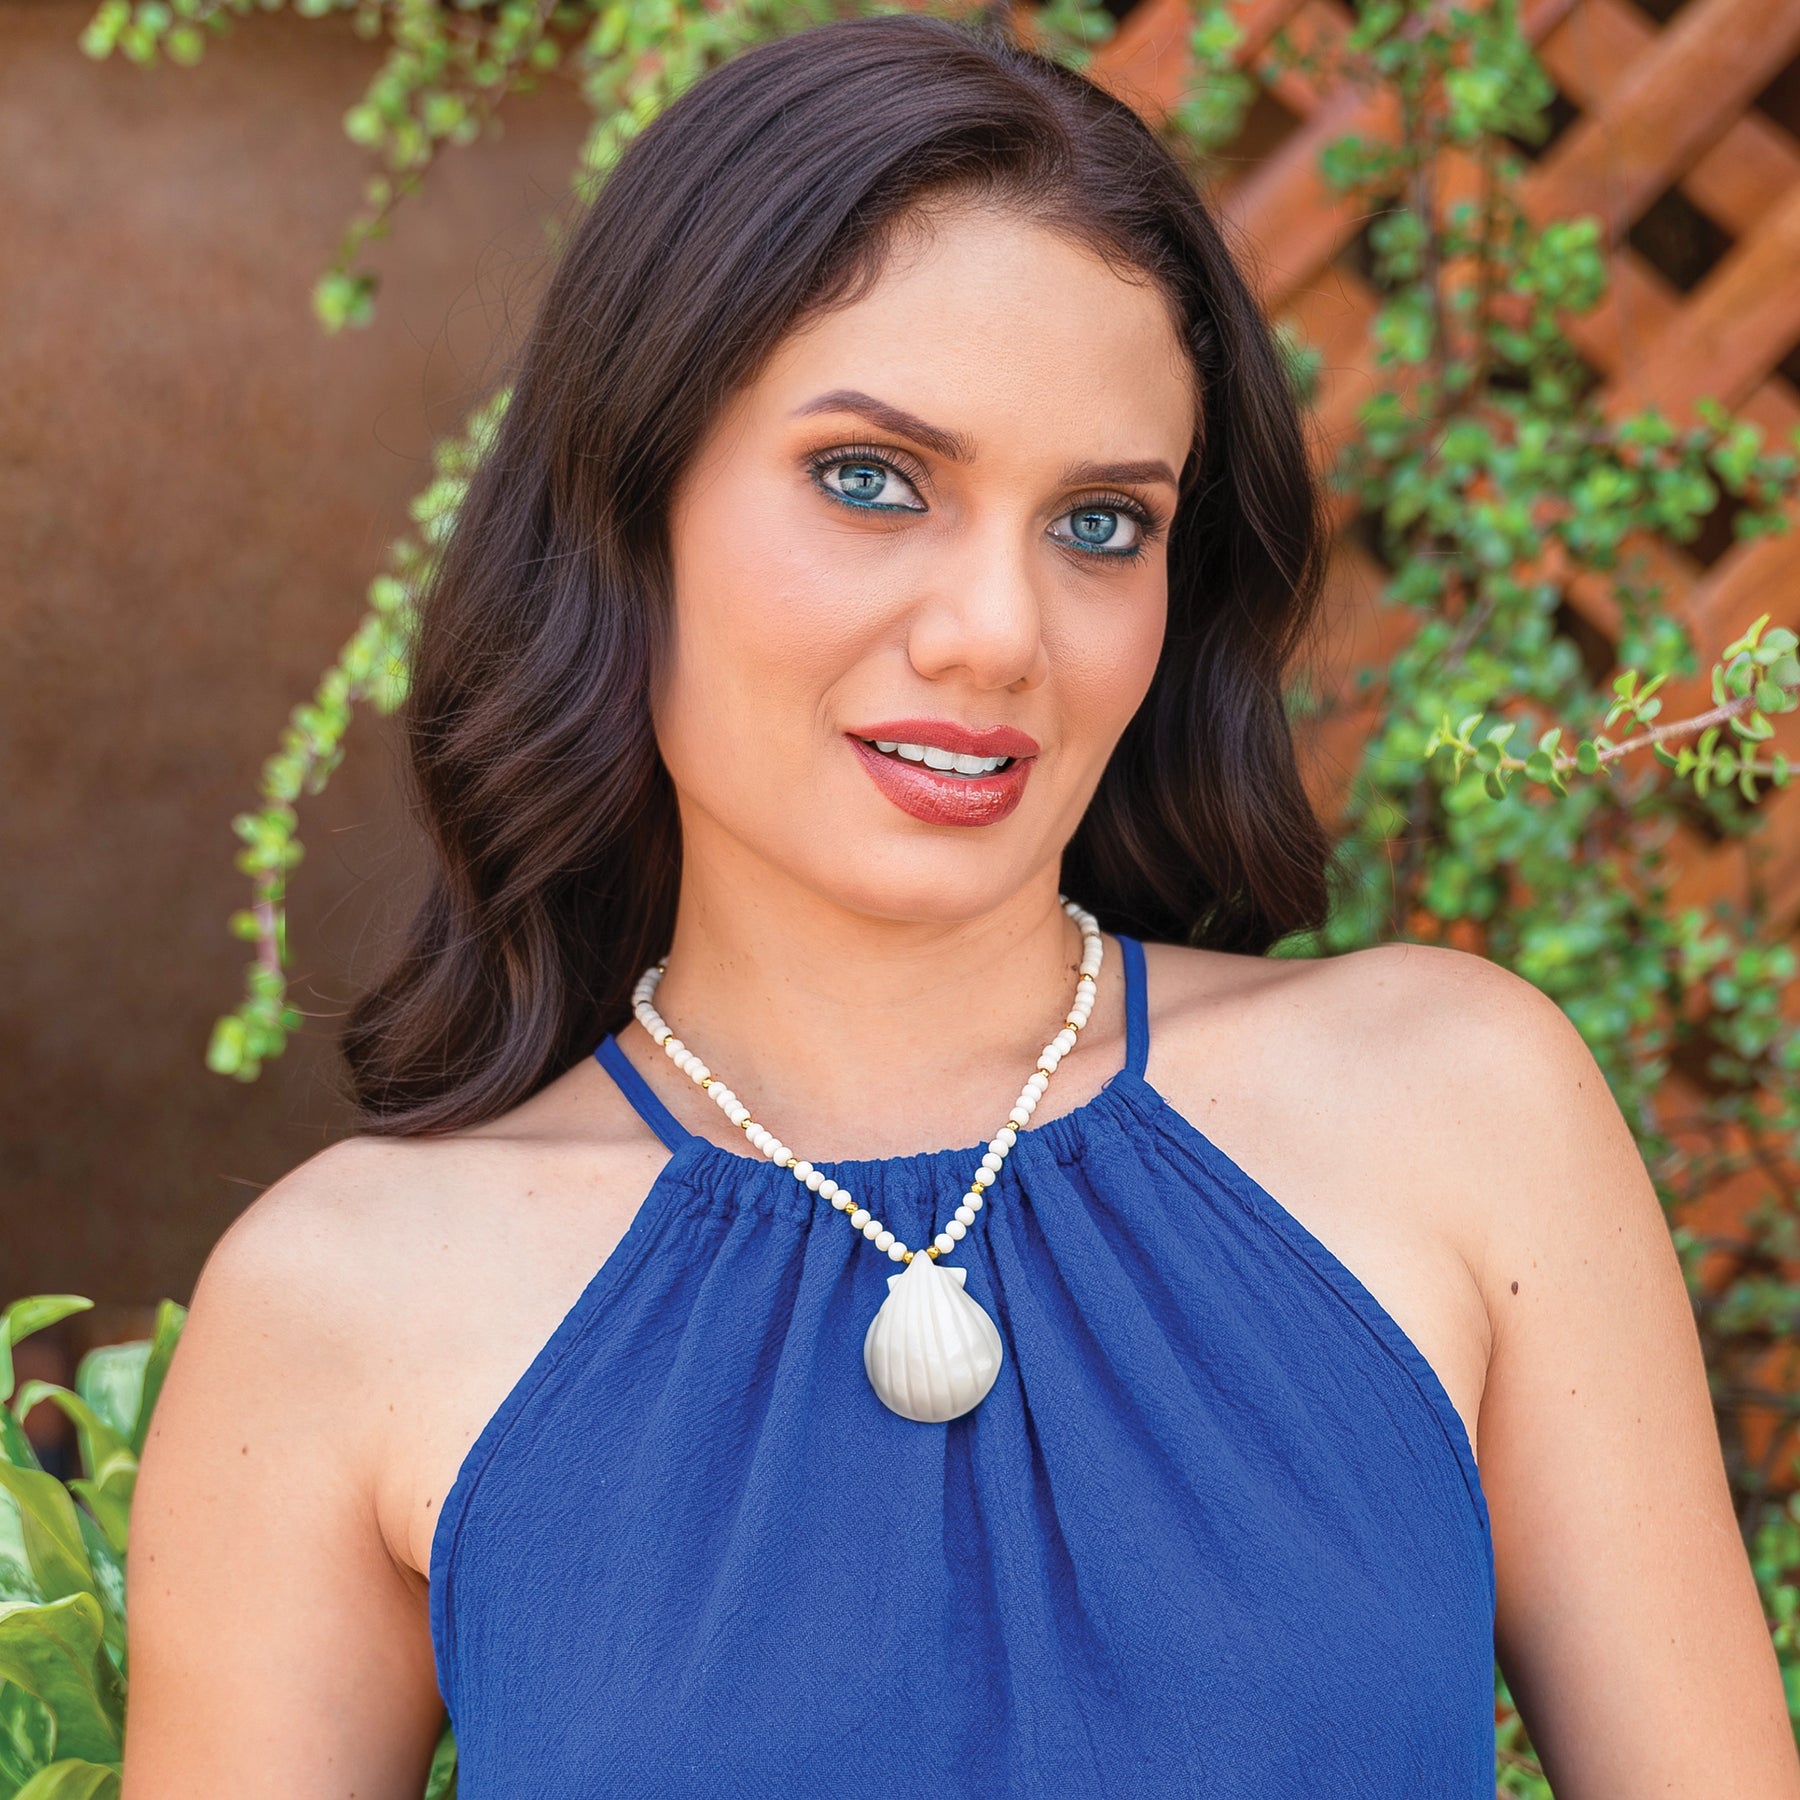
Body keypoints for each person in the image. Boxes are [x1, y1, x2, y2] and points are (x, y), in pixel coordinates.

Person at [120, 12, 1799, 1798]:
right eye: (871, 480)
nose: (999, 634)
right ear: (628, 502)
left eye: (1101, 524)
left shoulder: (1460, 1109)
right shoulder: (339, 1305)